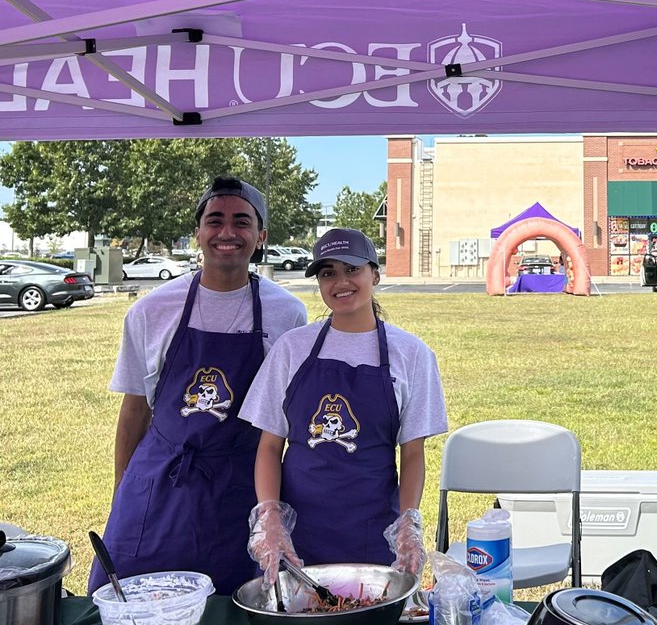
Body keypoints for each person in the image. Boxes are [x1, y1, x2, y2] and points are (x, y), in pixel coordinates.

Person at [89, 177, 309, 595]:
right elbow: (135, 410)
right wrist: (124, 494)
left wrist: (273, 513)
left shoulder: (287, 314)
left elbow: (282, 422)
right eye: (215, 220)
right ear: (198, 232)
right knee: (133, 600)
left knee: (243, 610)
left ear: (261, 236)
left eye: (242, 222)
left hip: (240, 486)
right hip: (161, 483)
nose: (227, 232)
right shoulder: (152, 311)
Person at [240, 229, 447, 583]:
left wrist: (408, 524)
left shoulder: (411, 354)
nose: (341, 282)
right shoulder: (292, 349)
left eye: (352, 269)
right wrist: (270, 519)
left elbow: (412, 453)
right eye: (328, 273)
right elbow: (269, 446)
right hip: (297, 540)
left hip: (373, 532)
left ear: (375, 274)